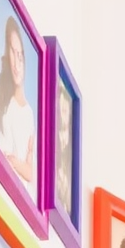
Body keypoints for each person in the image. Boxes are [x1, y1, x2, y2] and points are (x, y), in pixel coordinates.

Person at [0, 15, 35, 199]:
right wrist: (20, 164)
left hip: (17, 199)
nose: (17, 64)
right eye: (12, 52)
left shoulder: (28, 113)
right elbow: (3, 158)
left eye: (21, 56)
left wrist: (17, 163)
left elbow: (30, 173)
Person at [55, 80, 72, 209]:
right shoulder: (54, 142)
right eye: (59, 110)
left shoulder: (70, 151)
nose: (61, 115)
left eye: (64, 110)